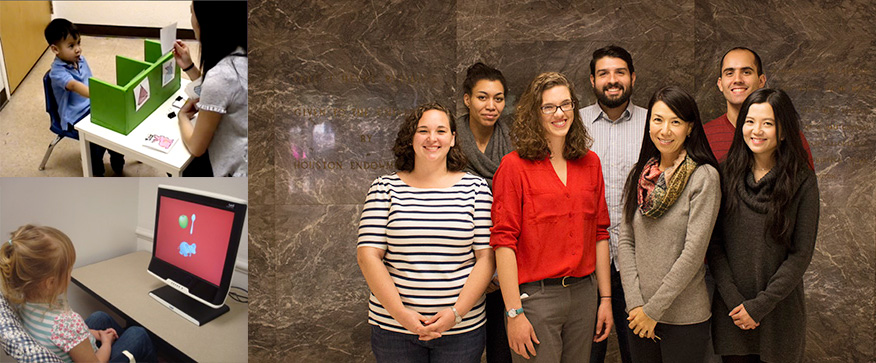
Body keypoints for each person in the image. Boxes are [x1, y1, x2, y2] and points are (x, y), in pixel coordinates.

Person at [356, 103, 495, 362]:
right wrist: (401, 314)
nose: (432, 138)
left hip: (461, 330)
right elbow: (368, 256)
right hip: (394, 330)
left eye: (441, 131)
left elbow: (486, 258)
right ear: (411, 138)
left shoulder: (475, 189)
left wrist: (456, 313)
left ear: (453, 138)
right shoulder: (384, 188)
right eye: (423, 131)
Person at [491, 72, 612, 362]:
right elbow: (504, 243)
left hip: (585, 295)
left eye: (566, 104)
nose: (560, 114)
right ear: (535, 113)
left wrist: (605, 299)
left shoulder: (590, 163)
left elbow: (600, 233)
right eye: (549, 107)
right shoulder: (514, 167)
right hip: (536, 299)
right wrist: (513, 312)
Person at [708, 89, 819, 363]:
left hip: (779, 314)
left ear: (783, 131)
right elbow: (714, 245)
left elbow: (800, 255)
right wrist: (735, 302)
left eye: (767, 123)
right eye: (749, 121)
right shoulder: (724, 173)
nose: (756, 130)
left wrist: (759, 306)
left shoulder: (803, 181)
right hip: (732, 313)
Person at [616, 86, 721, 362]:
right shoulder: (639, 175)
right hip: (638, 316)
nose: (665, 130)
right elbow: (625, 242)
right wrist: (636, 305)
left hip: (684, 318)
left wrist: (653, 311)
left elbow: (693, 253)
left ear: (690, 128)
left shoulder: (703, 177)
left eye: (675, 122)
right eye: (658, 119)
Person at [0, 225, 155, 362]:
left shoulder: (23, 300)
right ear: (50, 283)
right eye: (68, 270)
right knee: (138, 334)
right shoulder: (67, 323)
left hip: (63, 346)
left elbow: (67, 338)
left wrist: (97, 334)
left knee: (100, 317)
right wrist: (106, 343)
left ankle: (125, 347)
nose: (70, 274)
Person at [579, 45, 645, 363]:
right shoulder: (573, 127)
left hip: (640, 265)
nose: (612, 80)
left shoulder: (654, 123)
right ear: (592, 80)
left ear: (633, 77)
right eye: (604, 73)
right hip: (586, 265)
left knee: (640, 353)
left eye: (619, 72)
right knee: (587, 355)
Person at [454, 62, 514, 363]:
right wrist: (479, 269)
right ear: (467, 99)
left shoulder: (515, 141)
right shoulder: (448, 141)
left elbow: (524, 206)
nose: (491, 106)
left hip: (508, 264)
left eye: (499, 98)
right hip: (458, 266)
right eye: (482, 97)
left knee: (503, 352)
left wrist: (498, 272)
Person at [173, 1, 248, 177]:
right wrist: (189, 67)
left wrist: (182, 117)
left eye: (192, 13)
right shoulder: (243, 53)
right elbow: (225, 91)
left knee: (183, 167)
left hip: (236, 174)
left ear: (205, 23)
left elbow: (196, 146)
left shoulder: (222, 75)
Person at [705, 47, 813, 168]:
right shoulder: (703, 136)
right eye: (729, 73)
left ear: (761, 81)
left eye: (746, 72)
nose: (737, 80)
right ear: (720, 84)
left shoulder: (786, 134)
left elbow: (804, 182)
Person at [44, 19, 125, 177]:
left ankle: (117, 156)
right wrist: (101, 96)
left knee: (116, 124)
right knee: (96, 139)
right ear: (55, 49)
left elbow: (89, 82)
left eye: (79, 43)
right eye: (71, 46)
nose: (78, 50)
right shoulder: (57, 73)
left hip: (90, 105)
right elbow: (75, 86)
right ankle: (95, 170)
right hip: (74, 115)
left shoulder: (80, 60)